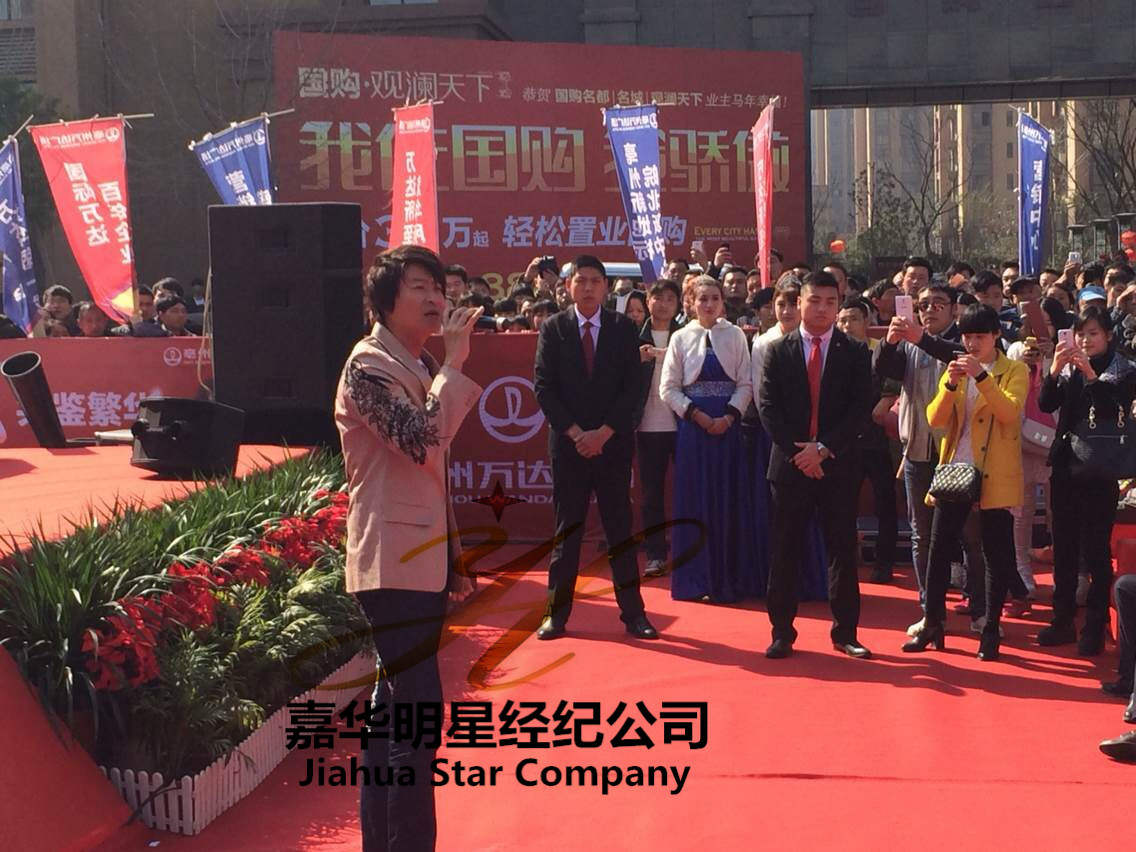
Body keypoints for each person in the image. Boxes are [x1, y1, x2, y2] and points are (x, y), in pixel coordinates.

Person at [334, 244, 482, 852]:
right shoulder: (367, 366)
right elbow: (420, 443)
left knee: (394, 713)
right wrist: (457, 363)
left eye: (438, 287)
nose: (435, 299)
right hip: (390, 562)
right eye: (419, 286)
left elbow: (431, 474)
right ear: (385, 300)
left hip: (416, 560)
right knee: (418, 716)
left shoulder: (413, 363)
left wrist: (453, 558)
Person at [532, 255, 658, 641]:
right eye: (580, 280)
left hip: (611, 445)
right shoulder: (554, 328)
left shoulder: (623, 328)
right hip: (568, 447)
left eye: (594, 281)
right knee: (567, 531)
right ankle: (556, 615)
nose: (587, 287)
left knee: (619, 529)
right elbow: (544, 388)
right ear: (568, 286)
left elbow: (632, 387)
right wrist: (576, 433)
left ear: (605, 287)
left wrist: (603, 433)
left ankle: (634, 614)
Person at [758, 270, 873, 660]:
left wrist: (822, 449)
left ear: (838, 305)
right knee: (784, 550)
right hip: (790, 468)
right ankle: (781, 633)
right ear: (799, 303)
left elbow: (860, 410)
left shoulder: (855, 352)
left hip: (837, 466)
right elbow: (768, 408)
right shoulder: (778, 350)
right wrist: (801, 455)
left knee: (841, 549)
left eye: (830, 302)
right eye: (814, 301)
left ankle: (846, 632)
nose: (822, 309)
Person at [903, 303, 1028, 661]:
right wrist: (951, 383)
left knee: (995, 552)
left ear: (996, 336)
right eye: (968, 337)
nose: (972, 344)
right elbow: (935, 418)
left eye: (980, 337)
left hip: (995, 472)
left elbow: (1009, 413)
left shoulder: (1014, 369)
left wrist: (982, 378)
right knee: (939, 547)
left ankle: (990, 629)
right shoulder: (955, 366)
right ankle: (932, 622)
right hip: (956, 469)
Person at [1037, 305, 1136, 655]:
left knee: (1095, 550)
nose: (1085, 340)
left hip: (1101, 470)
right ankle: (1062, 619)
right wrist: (1054, 370)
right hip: (1067, 466)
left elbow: (1112, 411)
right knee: (1063, 547)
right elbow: (1046, 404)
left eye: (1093, 333)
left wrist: (1091, 375)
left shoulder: (1124, 370)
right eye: (1080, 334)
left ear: (1108, 335)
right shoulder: (1068, 367)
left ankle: (1094, 625)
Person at [661, 276, 759, 601]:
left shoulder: (735, 336)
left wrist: (729, 416)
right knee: (695, 500)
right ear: (690, 302)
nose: (709, 304)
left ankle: (728, 579)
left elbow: (746, 383)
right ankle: (695, 580)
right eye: (702, 298)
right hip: (694, 430)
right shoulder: (680, 337)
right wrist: (695, 415)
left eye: (715, 298)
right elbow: (668, 388)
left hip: (728, 430)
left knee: (728, 501)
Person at [1005, 298, 1069, 599]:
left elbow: (1066, 392)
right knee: (1021, 513)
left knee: (1060, 512)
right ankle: (1022, 575)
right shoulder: (1016, 351)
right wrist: (1027, 363)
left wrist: (1052, 360)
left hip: (1056, 444)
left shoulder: (1066, 353)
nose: (1041, 329)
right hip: (1022, 441)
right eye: (1035, 322)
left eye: (1048, 323)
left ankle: (1063, 576)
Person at [837, 297, 898, 584]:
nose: (847, 325)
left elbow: (896, 379)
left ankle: (885, 562)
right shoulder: (835, 352)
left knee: (885, 502)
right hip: (845, 440)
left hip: (878, 439)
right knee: (843, 503)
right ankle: (845, 558)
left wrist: (887, 398)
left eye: (853, 319)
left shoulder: (880, 350)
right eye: (843, 320)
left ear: (866, 322)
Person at [634, 279, 682, 577]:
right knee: (652, 494)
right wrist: (635, 359)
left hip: (683, 424)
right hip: (647, 425)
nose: (663, 304)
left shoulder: (687, 335)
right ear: (647, 301)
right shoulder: (633, 337)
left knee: (687, 489)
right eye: (657, 298)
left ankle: (689, 549)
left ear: (678, 305)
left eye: (669, 299)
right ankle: (655, 554)